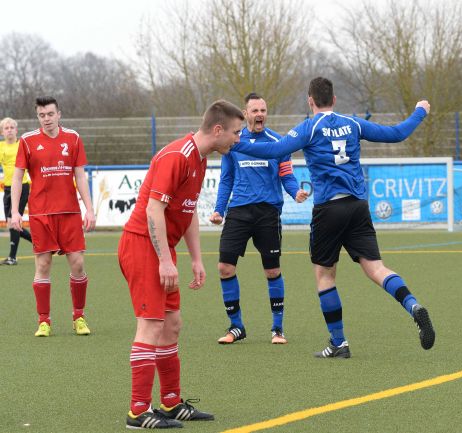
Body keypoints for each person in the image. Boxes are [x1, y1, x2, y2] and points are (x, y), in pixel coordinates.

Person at [233, 77, 435, 358]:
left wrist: (233, 144)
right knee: (377, 268)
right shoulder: (353, 124)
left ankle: (339, 343)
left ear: (310, 101)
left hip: (329, 209)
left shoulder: (309, 127)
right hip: (358, 206)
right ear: (334, 100)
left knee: (325, 275)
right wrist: (420, 111)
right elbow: (397, 133)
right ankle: (413, 305)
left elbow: (274, 150)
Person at [118, 99, 244, 429]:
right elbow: (153, 210)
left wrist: (196, 259)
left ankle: (171, 402)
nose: (238, 139)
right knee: (151, 324)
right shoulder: (177, 156)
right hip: (142, 245)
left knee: (172, 324)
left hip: (160, 249)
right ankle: (137, 411)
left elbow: (187, 212)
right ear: (218, 129)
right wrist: (164, 260)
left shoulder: (199, 159)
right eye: (236, 132)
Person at [209, 93, 308, 345]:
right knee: (224, 268)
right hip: (239, 212)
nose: (260, 114)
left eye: (263, 110)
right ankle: (236, 326)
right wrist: (219, 210)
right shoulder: (233, 143)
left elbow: (286, 175)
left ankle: (277, 329)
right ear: (246, 114)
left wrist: (295, 191)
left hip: (267, 213)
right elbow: (227, 179)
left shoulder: (279, 143)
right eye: (255, 111)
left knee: (272, 270)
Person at [11, 97, 95, 337]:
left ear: (59, 114)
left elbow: (80, 176)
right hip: (41, 212)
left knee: (78, 263)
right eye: (41, 115)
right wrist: (15, 211)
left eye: (50, 114)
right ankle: (44, 321)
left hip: (69, 212)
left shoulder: (73, 138)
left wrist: (89, 209)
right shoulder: (27, 141)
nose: (46, 119)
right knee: (43, 264)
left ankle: (79, 317)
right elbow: (17, 177)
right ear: (38, 117)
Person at [0, 117, 32, 265]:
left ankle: (12, 258)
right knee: (11, 224)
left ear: (16, 130)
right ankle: (41, 243)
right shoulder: (1, 147)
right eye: (6, 128)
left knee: (14, 223)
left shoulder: (22, 145)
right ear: (2, 132)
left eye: (12, 127)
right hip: (7, 188)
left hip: (21, 187)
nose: (9, 130)